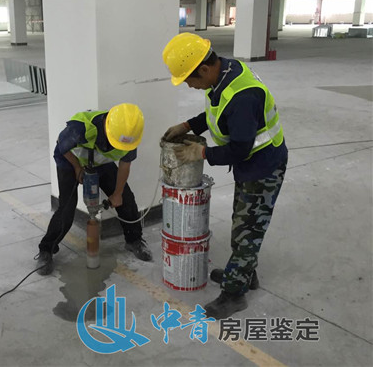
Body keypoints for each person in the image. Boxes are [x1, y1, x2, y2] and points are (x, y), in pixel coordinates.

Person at [162, 33, 288, 319]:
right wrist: (188, 125)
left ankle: (234, 294)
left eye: (189, 80)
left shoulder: (243, 96)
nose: (189, 86)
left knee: (248, 231)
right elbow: (216, 112)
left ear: (205, 69)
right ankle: (244, 274)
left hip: (264, 167)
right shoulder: (223, 74)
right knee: (243, 224)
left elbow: (240, 149)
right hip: (252, 166)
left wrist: (201, 153)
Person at [36, 103, 152, 275]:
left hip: (101, 162)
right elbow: (61, 146)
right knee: (66, 209)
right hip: (70, 161)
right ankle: (46, 249)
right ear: (107, 127)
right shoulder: (81, 128)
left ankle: (134, 240)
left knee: (126, 200)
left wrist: (117, 194)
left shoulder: (129, 136)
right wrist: (77, 167)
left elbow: (124, 165)